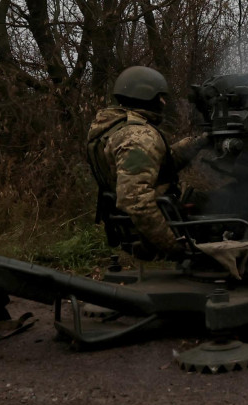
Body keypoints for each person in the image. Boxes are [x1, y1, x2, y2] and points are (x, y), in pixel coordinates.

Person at [86, 66, 207, 260]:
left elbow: (158, 165)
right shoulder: (138, 137)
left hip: (137, 217)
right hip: (164, 217)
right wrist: (172, 245)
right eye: (161, 97)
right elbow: (136, 200)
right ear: (149, 97)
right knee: (226, 199)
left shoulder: (112, 127)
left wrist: (198, 142)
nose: (164, 102)